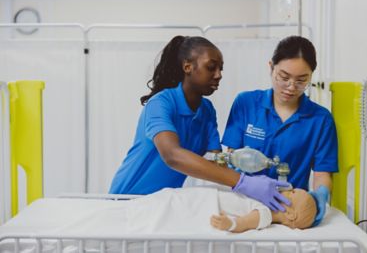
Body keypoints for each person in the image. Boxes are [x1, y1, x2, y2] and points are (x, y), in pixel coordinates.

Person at [109, 35, 291, 211]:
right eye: (211, 67)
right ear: (187, 67)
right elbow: (172, 155)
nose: (219, 75)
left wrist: (251, 176)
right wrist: (243, 182)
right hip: (126, 201)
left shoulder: (206, 110)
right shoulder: (161, 103)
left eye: (221, 69)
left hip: (160, 203)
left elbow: (216, 162)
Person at [221, 36, 338, 226]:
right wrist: (246, 183)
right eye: (284, 77)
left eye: (301, 80)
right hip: (243, 202)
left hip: (288, 209)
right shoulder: (246, 103)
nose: (291, 87)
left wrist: (320, 195)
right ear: (271, 67)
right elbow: (231, 156)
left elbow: (322, 172)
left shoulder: (321, 119)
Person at [210, 188, 317, 232]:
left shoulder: (265, 214)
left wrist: (229, 224)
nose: (288, 189)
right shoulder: (263, 200)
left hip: (212, 202)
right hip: (214, 193)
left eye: (292, 192)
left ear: (290, 214)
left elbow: (244, 223)